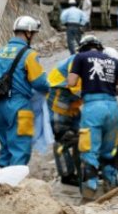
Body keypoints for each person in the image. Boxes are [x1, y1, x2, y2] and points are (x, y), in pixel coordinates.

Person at [67, 36, 118, 199]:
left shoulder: (80, 57)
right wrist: (106, 90)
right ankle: (111, 183)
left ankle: (90, 186)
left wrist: (88, 88)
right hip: (112, 107)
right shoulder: (113, 61)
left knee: (89, 148)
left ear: (84, 48)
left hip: (93, 107)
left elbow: (71, 82)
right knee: (109, 149)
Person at [0, 16, 49, 167]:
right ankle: (14, 187)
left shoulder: (2, 51)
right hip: (19, 107)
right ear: (29, 33)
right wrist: (50, 86)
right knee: (20, 150)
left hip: (1, 105)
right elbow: (39, 82)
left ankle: (2, 185)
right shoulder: (29, 54)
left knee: (5, 149)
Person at [46, 53, 82, 185]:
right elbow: (76, 87)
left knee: (81, 133)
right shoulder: (77, 61)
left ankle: (81, 169)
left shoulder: (87, 61)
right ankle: (66, 175)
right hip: (58, 98)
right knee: (62, 137)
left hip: (71, 101)